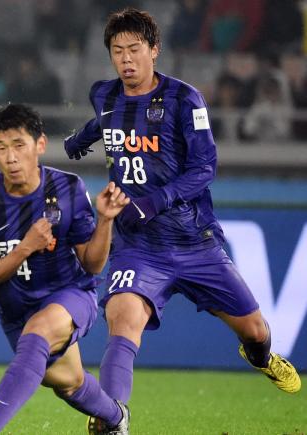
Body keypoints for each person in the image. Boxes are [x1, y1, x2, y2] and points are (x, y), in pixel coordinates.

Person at [64, 7, 301, 431]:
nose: (126, 59)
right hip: (138, 244)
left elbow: (205, 167)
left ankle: (262, 357)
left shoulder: (184, 98)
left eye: (134, 49)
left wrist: (153, 202)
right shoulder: (104, 94)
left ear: (154, 50)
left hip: (195, 242)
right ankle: (111, 418)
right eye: (117, 51)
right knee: (122, 317)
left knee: (255, 329)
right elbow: (106, 120)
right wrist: (82, 139)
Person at [0, 104, 131, 435]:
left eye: (19, 145)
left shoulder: (67, 189)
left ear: (40, 145)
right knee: (68, 383)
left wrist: (106, 221)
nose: (10, 157)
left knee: (38, 334)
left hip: (69, 294)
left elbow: (92, 263)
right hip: (15, 311)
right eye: (0, 147)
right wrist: (26, 246)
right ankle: (114, 417)